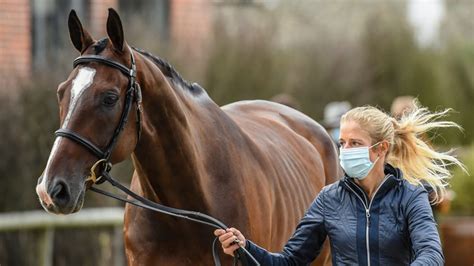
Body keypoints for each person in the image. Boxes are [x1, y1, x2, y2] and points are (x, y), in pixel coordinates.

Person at [215, 101, 466, 265]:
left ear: (381, 149)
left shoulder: (411, 197)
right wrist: (244, 248)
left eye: (355, 143)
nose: (345, 150)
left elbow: (431, 254)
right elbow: (290, 261)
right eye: (343, 143)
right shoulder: (329, 199)